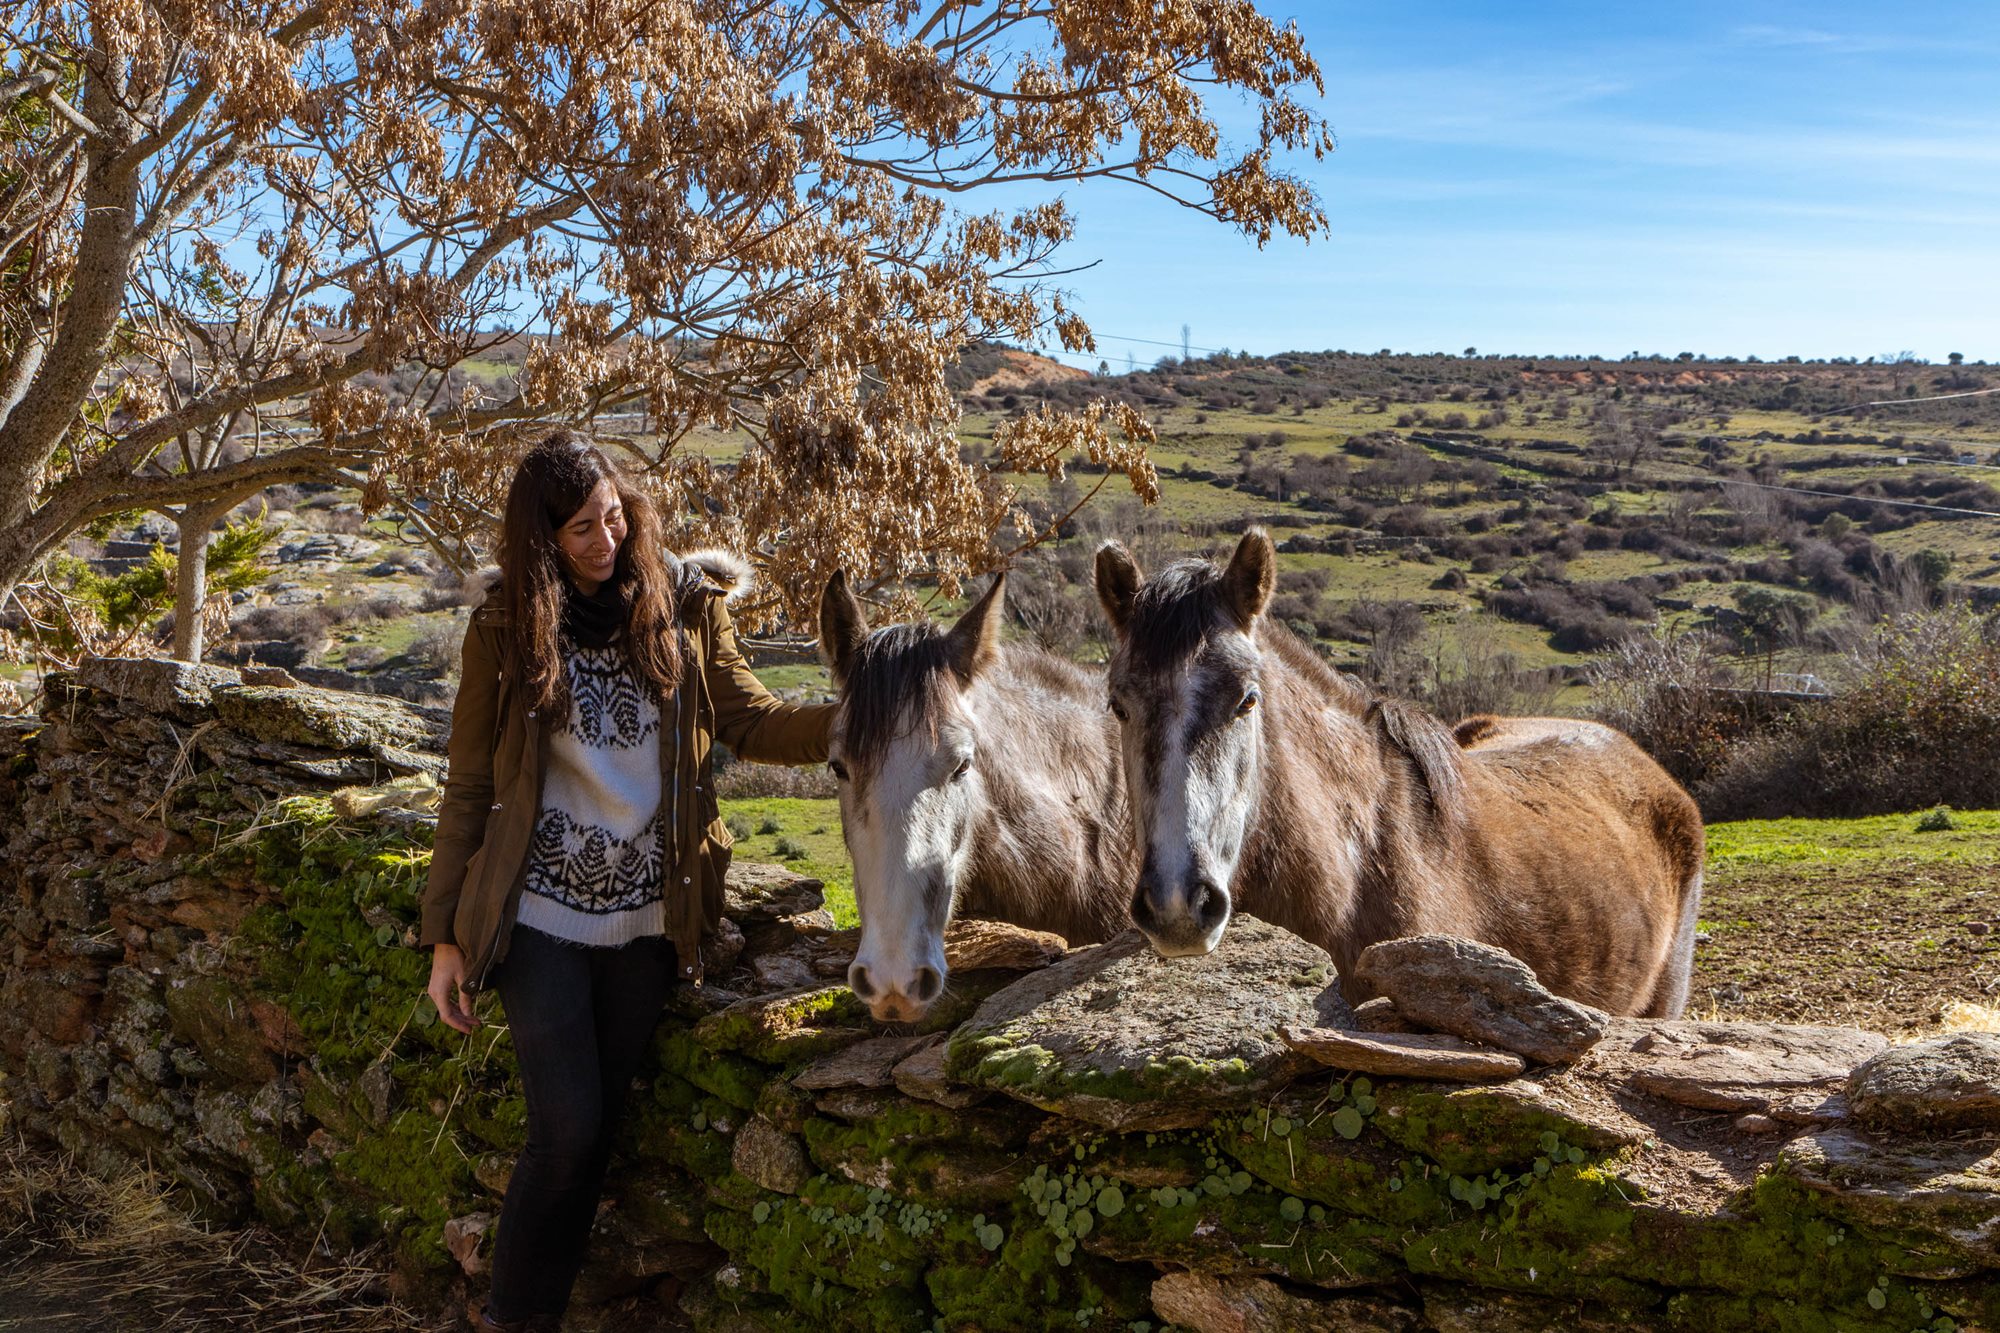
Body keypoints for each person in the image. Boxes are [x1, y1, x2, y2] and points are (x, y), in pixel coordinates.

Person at [421, 431, 833, 1331]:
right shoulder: (503, 626)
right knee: (564, 1130)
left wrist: (853, 723)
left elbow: (748, 719)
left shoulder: (684, 602)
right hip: (541, 919)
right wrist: (445, 935)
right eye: (579, 531)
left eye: (613, 516)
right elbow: (471, 786)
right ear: (542, 540)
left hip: (653, 916)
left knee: (597, 1138)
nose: (606, 541)